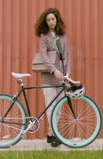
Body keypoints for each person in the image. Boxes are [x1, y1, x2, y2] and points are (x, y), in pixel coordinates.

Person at [34, 8, 71, 147]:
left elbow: (67, 55)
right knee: (51, 107)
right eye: (48, 20)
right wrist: (54, 70)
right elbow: (43, 56)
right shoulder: (44, 36)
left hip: (61, 76)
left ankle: (50, 134)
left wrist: (68, 73)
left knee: (59, 108)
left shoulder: (63, 35)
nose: (51, 22)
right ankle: (55, 134)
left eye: (53, 19)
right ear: (46, 22)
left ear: (57, 20)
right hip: (49, 77)